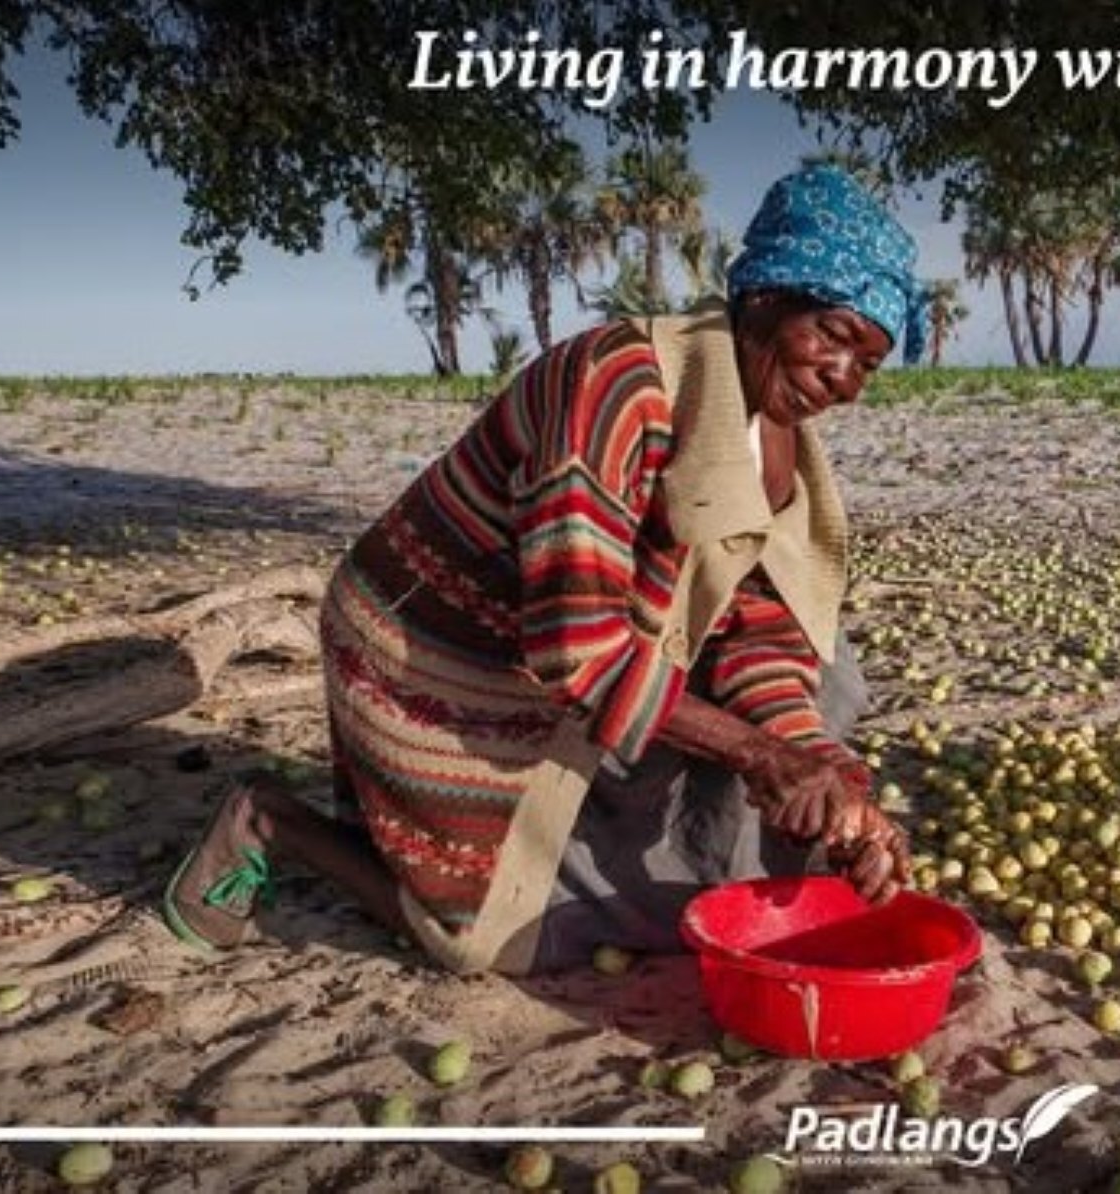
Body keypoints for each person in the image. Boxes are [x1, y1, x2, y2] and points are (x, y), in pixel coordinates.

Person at [162, 163, 920, 975]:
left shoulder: (777, 441)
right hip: (441, 649)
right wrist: (761, 755)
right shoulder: (618, 386)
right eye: (833, 335)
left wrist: (829, 777)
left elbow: (758, 628)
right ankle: (271, 822)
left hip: (606, 644)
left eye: (867, 363)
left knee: (827, 683)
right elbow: (578, 653)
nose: (843, 380)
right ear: (765, 297)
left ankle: (589, 841)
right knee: (489, 940)